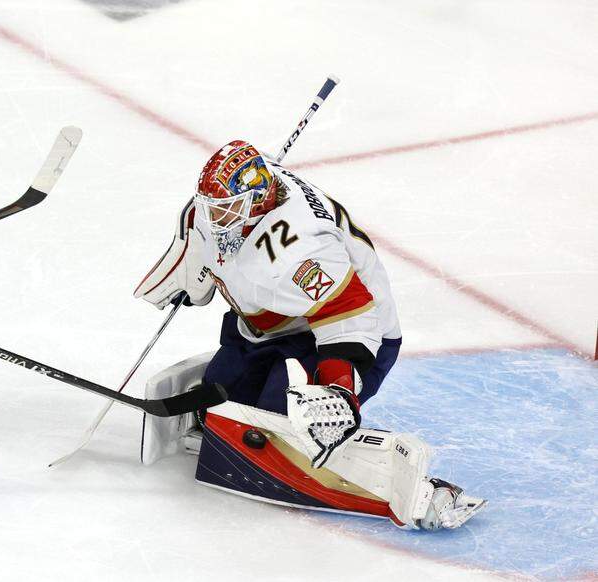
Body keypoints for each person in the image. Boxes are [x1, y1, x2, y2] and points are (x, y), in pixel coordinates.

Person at [135, 140, 486, 530]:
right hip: (272, 322)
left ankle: (404, 484)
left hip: (353, 333)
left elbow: (350, 314)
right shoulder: (244, 199)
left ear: (258, 202)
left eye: (225, 209)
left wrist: (338, 388)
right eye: (211, 207)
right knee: (224, 401)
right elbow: (202, 231)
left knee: (277, 425)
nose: (214, 218)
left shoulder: (302, 250)